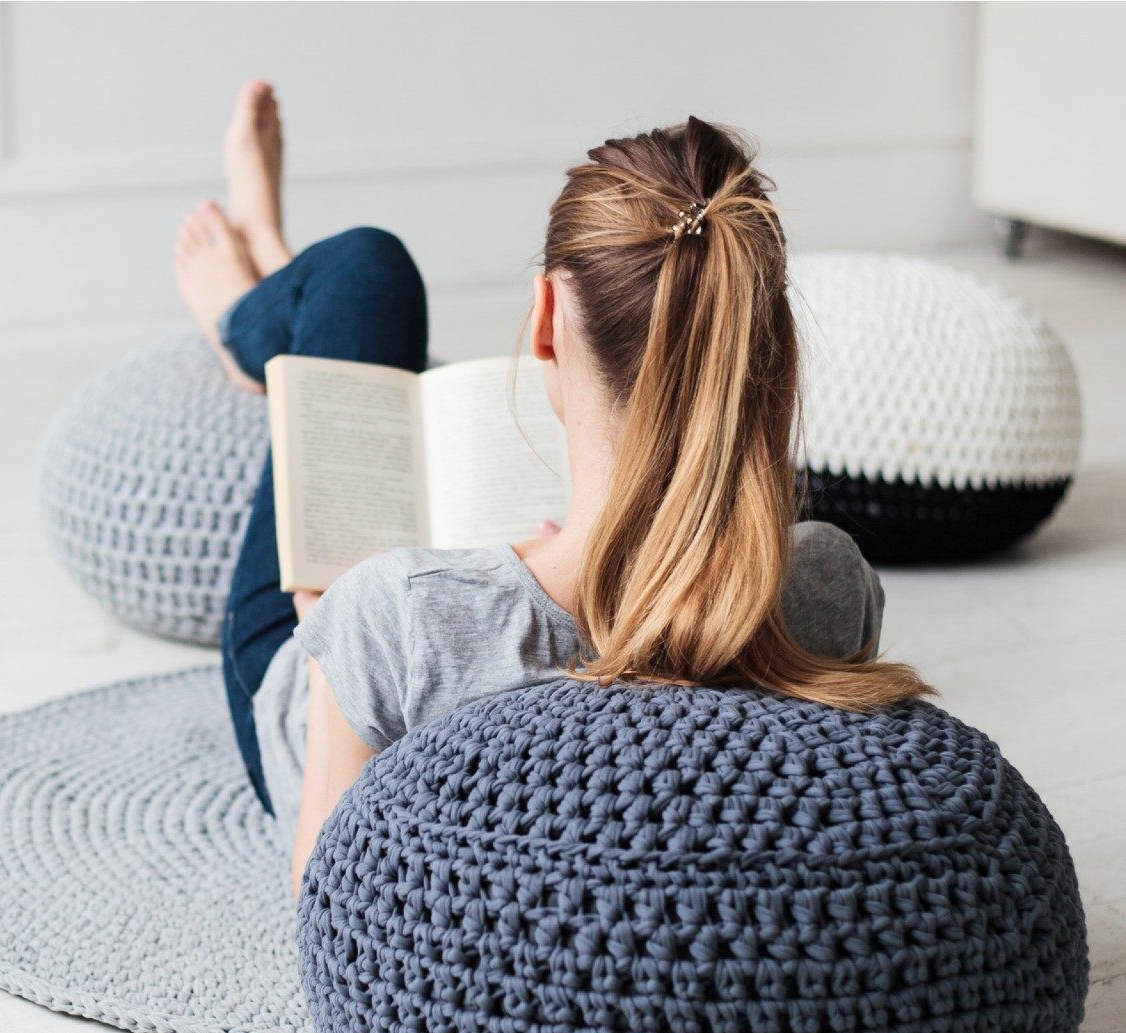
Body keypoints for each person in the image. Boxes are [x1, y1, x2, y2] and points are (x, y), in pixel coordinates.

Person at [173, 82, 931, 893]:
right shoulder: (826, 579)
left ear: (545, 321)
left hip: (312, 677)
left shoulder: (386, 613)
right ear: (764, 345)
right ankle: (273, 265)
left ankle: (244, 310)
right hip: (520, 581)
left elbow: (327, 914)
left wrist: (337, 647)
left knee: (365, 270)